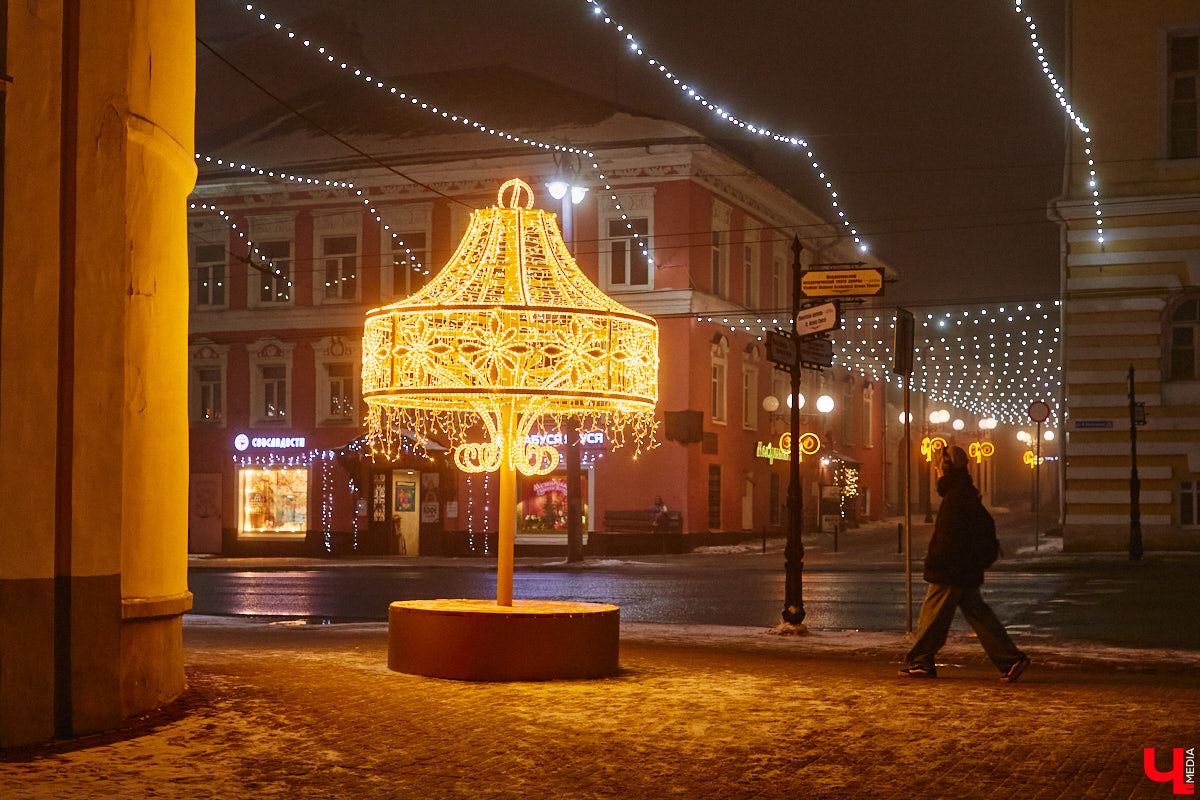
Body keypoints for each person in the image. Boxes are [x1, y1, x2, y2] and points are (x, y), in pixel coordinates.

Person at [899, 444, 1031, 682]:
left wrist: (936, 561)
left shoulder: (955, 497)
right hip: (964, 568)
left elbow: (949, 537)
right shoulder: (964, 491)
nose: (936, 470)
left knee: (932, 616)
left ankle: (921, 661)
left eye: (938, 466)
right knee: (979, 615)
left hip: (951, 568)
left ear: (945, 468)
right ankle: (1010, 659)